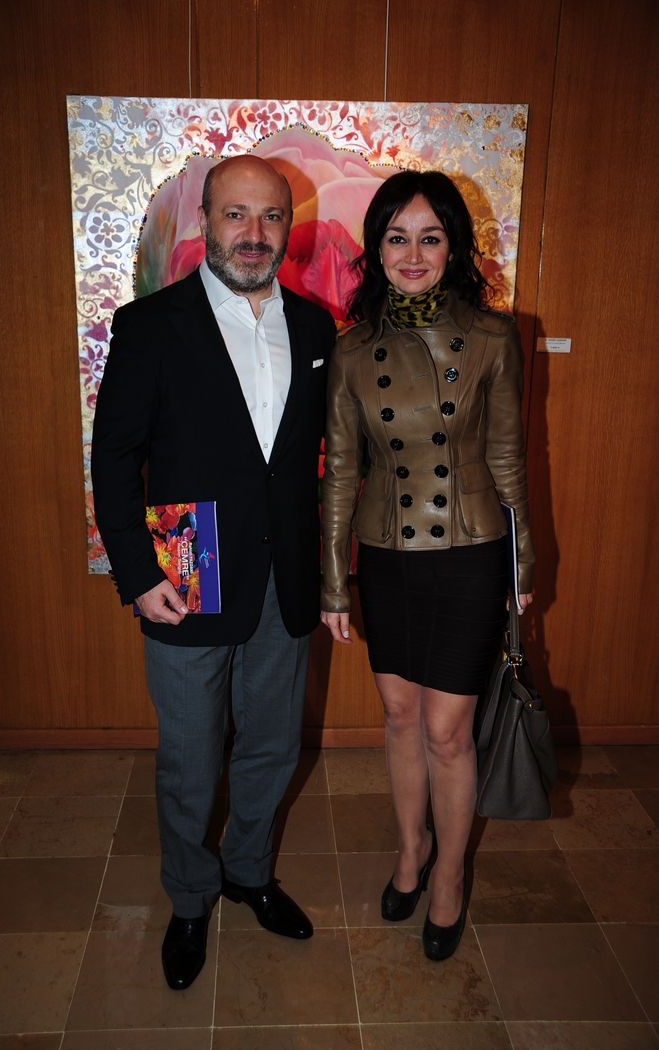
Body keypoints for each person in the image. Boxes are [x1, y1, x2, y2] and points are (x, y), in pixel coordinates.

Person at [92, 155, 336, 989]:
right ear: (206, 221)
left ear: (288, 227)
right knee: (191, 759)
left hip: (283, 578)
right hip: (185, 572)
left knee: (270, 745)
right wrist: (137, 574)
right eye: (237, 215)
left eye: (271, 216)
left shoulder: (315, 329)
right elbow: (115, 459)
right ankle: (191, 898)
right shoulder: (150, 325)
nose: (254, 234)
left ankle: (248, 873)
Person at [320, 171, 534, 961]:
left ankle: (448, 874)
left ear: (453, 248)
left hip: (470, 552)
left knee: (447, 731)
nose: (412, 255)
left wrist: (520, 561)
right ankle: (410, 848)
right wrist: (332, 582)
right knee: (400, 717)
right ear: (376, 250)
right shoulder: (351, 350)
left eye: (430, 238)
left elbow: (508, 457)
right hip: (386, 555)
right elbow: (340, 471)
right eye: (396, 238)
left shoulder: (491, 337)